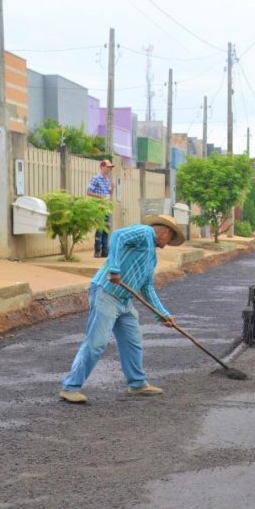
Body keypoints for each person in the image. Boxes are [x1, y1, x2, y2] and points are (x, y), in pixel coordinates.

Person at [59, 214, 185, 404]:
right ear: (165, 231)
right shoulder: (144, 232)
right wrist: (114, 269)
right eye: (170, 239)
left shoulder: (152, 257)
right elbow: (117, 235)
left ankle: (137, 383)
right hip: (106, 294)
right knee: (97, 342)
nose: (167, 244)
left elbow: (147, 288)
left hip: (125, 301)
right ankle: (70, 387)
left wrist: (163, 315)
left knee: (133, 341)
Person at [87, 159, 115, 258]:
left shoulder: (107, 180)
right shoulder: (96, 178)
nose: (109, 169)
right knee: (99, 229)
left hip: (106, 207)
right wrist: (101, 197)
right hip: (98, 207)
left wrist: (112, 188)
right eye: (108, 167)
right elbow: (89, 192)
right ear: (102, 167)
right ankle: (97, 251)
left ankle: (105, 251)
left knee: (106, 229)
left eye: (110, 168)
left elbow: (109, 194)